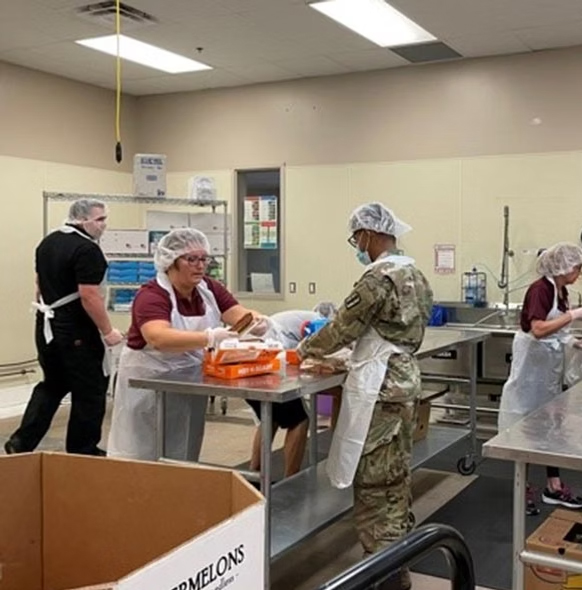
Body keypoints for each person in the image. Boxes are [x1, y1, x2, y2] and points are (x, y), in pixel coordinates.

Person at [295, 202, 432, 590]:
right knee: (396, 478)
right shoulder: (415, 273)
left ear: (369, 234)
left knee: (375, 484)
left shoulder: (378, 278)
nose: (356, 245)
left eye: (356, 238)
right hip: (403, 380)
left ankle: (383, 573)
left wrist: (303, 349)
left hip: (381, 387)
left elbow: (342, 328)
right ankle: (397, 561)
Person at [107, 228, 269, 462]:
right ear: (170, 262)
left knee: (183, 448)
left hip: (189, 381)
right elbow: (158, 338)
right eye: (191, 259)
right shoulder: (151, 295)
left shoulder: (209, 289)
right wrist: (209, 338)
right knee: (144, 453)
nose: (200, 266)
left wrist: (257, 321)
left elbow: (238, 314)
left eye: (204, 259)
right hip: (150, 383)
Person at [5, 199, 123, 456]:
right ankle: (83, 450)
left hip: (48, 323)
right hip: (75, 328)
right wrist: (108, 331)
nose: (104, 225)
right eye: (100, 220)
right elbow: (89, 295)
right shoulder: (87, 250)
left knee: (53, 384)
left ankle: (21, 442)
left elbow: (39, 284)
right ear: (82, 219)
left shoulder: (48, 242)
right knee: (90, 388)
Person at [497, 242, 582, 515]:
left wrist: (571, 340)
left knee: (551, 425)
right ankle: (523, 487)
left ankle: (554, 486)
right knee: (525, 426)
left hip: (547, 372)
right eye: (577, 267)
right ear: (563, 267)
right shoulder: (540, 289)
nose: (579, 273)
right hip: (530, 373)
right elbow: (539, 329)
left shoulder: (561, 291)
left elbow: (554, 330)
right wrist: (574, 314)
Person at [246, 302, 339, 479]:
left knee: (270, 417)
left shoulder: (299, 319)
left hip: (251, 365)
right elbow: (314, 351)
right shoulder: (319, 323)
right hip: (267, 364)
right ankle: (291, 479)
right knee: (299, 420)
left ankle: (254, 473)